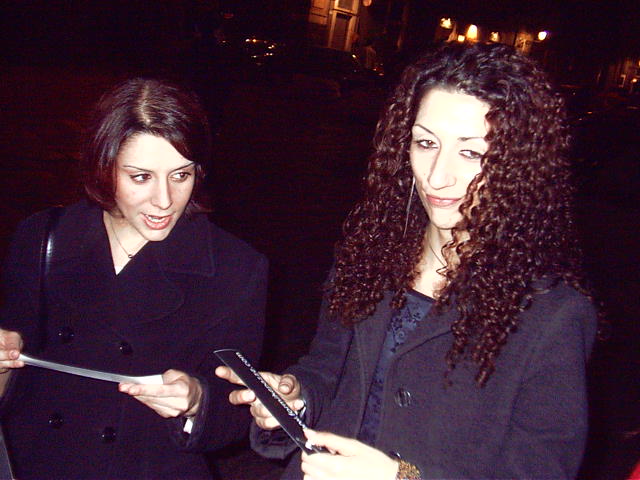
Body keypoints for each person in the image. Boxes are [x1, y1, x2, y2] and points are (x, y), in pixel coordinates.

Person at [217, 42, 598, 479]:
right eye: (426, 143)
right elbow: (327, 370)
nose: (437, 175)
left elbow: (540, 471)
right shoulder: (371, 256)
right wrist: (297, 397)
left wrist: (401, 477)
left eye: (471, 152)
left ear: (518, 164)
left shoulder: (551, 313)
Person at [0, 78, 267, 479]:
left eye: (181, 175)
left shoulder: (236, 268)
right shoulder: (42, 238)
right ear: (104, 167)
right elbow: (16, 384)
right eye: (141, 177)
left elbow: (237, 413)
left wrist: (198, 401)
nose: (164, 201)